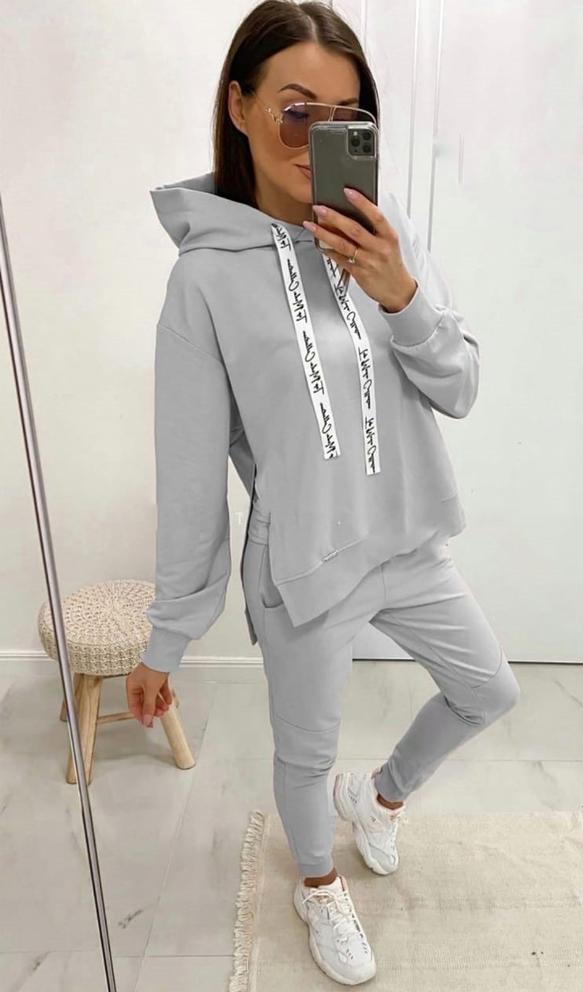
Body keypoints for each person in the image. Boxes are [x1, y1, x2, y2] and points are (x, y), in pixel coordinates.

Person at [126, 1, 520, 985]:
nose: (319, 139)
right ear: (240, 106)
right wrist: (168, 634)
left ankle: (377, 798)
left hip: (404, 536)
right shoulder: (202, 283)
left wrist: (399, 292)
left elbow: (460, 387)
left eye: (348, 118)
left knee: (487, 688)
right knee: (303, 752)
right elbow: (188, 470)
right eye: (297, 110)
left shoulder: (389, 234)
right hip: (303, 558)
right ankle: (315, 883)